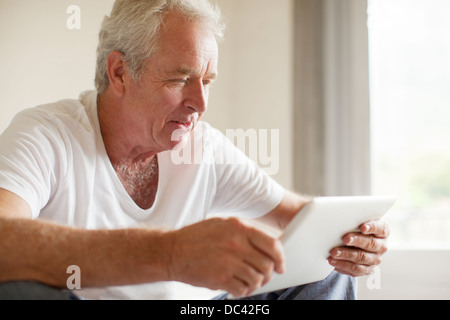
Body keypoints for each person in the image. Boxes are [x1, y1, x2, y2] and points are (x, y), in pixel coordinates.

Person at [0, 0, 389, 300]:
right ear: (119, 72)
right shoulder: (47, 134)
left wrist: (354, 239)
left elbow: (300, 217)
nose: (200, 103)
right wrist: (171, 254)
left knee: (330, 267)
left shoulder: (202, 146)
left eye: (207, 81)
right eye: (180, 78)